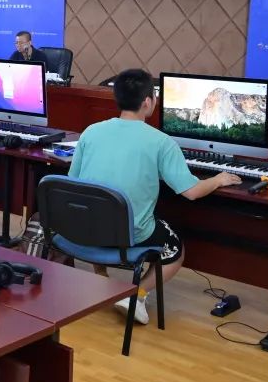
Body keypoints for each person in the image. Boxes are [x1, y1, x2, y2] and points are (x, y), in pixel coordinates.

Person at [67, 69, 241, 325]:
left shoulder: (91, 132)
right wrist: (218, 179)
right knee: (175, 249)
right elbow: (192, 192)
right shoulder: (161, 142)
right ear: (148, 102)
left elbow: (73, 182)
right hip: (129, 234)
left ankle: (102, 280)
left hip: (87, 228)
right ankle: (136, 295)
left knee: (102, 208)